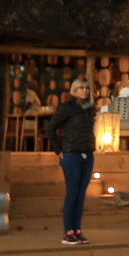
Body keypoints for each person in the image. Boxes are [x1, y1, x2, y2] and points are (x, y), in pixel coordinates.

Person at [48, 79, 98, 245]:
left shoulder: (90, 109)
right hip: (71, 154)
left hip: (87, 153)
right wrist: (59, 149)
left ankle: (77, 229)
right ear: (74, 90)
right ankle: (68, 231)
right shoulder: (66, 107)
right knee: (72, 193)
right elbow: (50, 128)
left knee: (81, 194)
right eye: (81, 88)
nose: (84, 91)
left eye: (87, 88)